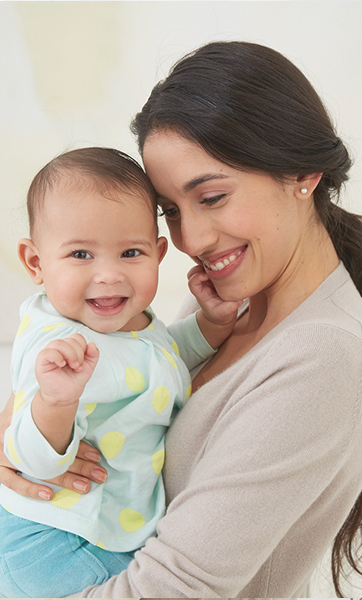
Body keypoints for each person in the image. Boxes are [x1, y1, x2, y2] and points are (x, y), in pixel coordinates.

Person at [1, 41, 362, 598]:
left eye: (211, 196)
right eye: (171, 211)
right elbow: (128, 379)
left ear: (302, 174)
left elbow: (174, 588)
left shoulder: (328, 356)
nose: (189, 239)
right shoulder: (228, 296)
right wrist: (23, 432)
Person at [0, 146, 241, 598]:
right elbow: (29, 457)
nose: (109, 275)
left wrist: (212, 324)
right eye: (80, 255)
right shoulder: (57, 352)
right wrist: (56, 402)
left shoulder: (136, 322)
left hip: (106, 531)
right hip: (54, 538)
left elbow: (163, 359)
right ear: (36, 262)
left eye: (130, 252)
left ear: (159, 253)